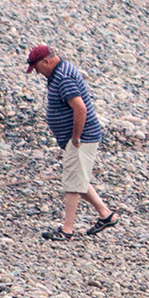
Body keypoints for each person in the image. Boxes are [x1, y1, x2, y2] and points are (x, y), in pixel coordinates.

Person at [28, 43, 116, 240]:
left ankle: (67, 230)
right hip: (80, 137)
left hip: (82, 137)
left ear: (47, 61)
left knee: (72, 183)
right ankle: (106, 215)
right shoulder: (60, 72)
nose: (37, 73)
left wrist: (76, 137)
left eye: (37, 68)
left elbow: (80, 108)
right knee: (78, 177)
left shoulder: (63, 77)